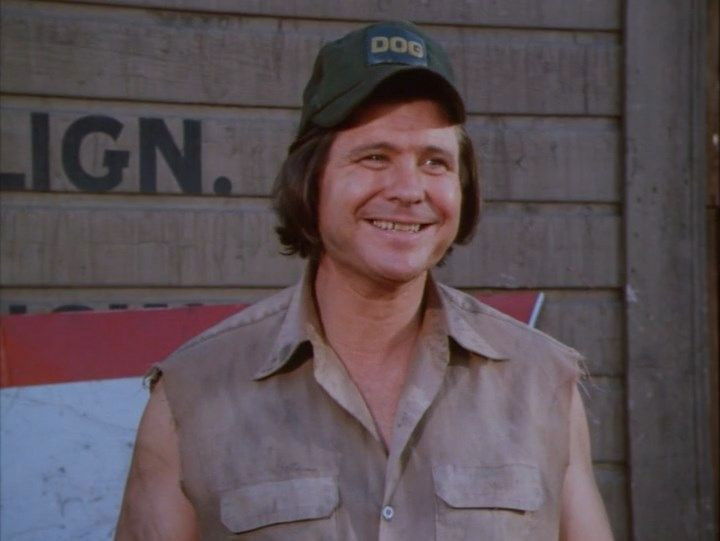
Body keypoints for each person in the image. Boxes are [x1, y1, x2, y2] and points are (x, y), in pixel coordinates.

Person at [116, 20, 613, 540]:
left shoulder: (540, 382)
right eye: (375, 157)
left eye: (435, 162)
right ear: (310, 179)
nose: (409, 190)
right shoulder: (192, 394)